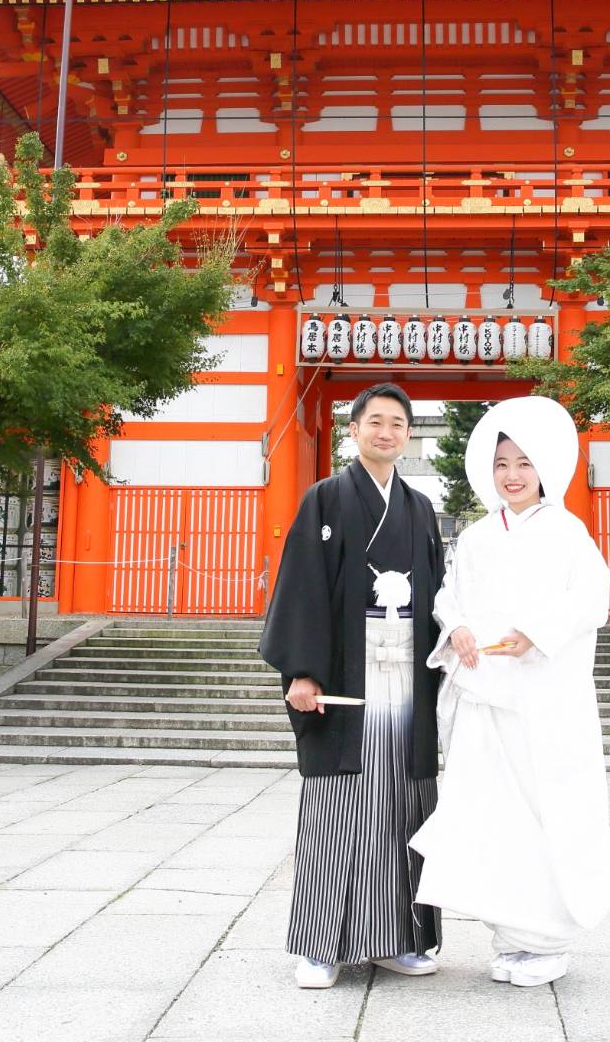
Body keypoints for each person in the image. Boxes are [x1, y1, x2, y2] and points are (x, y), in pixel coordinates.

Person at [410, 394, 610, 988]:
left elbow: (592, 598)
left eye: (524, 463)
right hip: (487, 696)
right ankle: (511, 935)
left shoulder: (567, 530)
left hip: (544, 697)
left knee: (544, 806)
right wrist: (460, 629)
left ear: (543, 468)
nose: (513, 475)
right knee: (490, 811)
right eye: (503, 463)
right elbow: (450, 594)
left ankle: (547, 938)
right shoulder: (476, 536)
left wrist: (537, 632)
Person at [259, 382, 447, 990]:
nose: (386, 432)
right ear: (354, 429)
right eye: (375, 421)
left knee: (404, 805)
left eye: (398, 423)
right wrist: (303, 671)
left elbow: (441, 597)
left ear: (409, 434)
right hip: (345, 678)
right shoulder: (325, 499)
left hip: (407, 682)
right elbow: (303, 587)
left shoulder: (419, 509)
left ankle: (398, 937)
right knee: (340, 809)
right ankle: (321, 945)